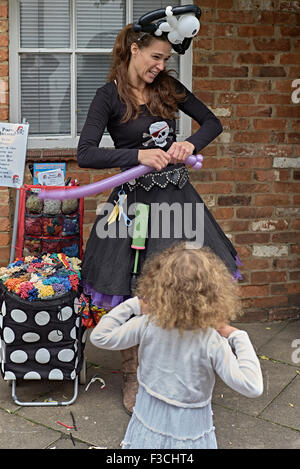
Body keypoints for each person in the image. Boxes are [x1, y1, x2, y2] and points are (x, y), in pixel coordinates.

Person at [77, 23, 242, 414]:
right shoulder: (108, 97)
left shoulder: (167, 87)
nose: (161, 64)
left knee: (189, 278)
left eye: (166, 59)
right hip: (134, 206)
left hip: (177, 197)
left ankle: (186, 363)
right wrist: (137, 156)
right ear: (135, 49)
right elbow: (85, 153)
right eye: (156, 56)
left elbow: (213, 123)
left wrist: (189, 143)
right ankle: (133, 374)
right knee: (134, 285)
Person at [90, 243, 263, 449]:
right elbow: (252, 386)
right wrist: (238, 336)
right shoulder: (212, 340)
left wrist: (134, 305)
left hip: (149, 413)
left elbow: (100, 337)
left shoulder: (147, 323)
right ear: (213, 292)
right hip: (188, 426)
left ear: (158, 286)